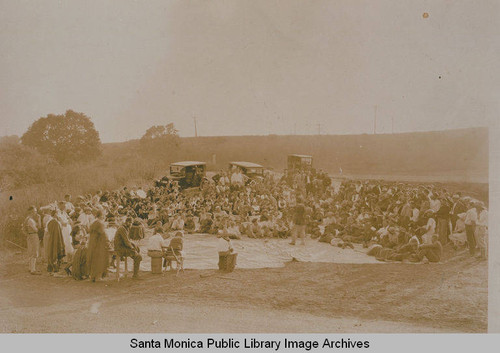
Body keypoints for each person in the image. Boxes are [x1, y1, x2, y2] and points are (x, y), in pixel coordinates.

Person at [87, 211, 109, 282]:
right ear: (101, 216)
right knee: (99, 260)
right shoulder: (100, 223)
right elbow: (103, 234)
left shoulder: (94, 223)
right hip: (99, 244)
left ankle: (92, 276)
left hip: (92, 244)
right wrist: (108, 242)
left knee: (93, 259)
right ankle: (97, 277)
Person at [23, 206, 41, 275]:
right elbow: (37, 229)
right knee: (34, 252)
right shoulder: (30, 220)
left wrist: (27, 234)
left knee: (31, 252)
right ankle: (33, 270)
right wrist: (39, 219)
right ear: (31, 212)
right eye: (35, 211)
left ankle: (31, 268)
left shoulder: (28, 219)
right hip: (33, 235)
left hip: (30, 235)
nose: (36, 213)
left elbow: (23, 229)